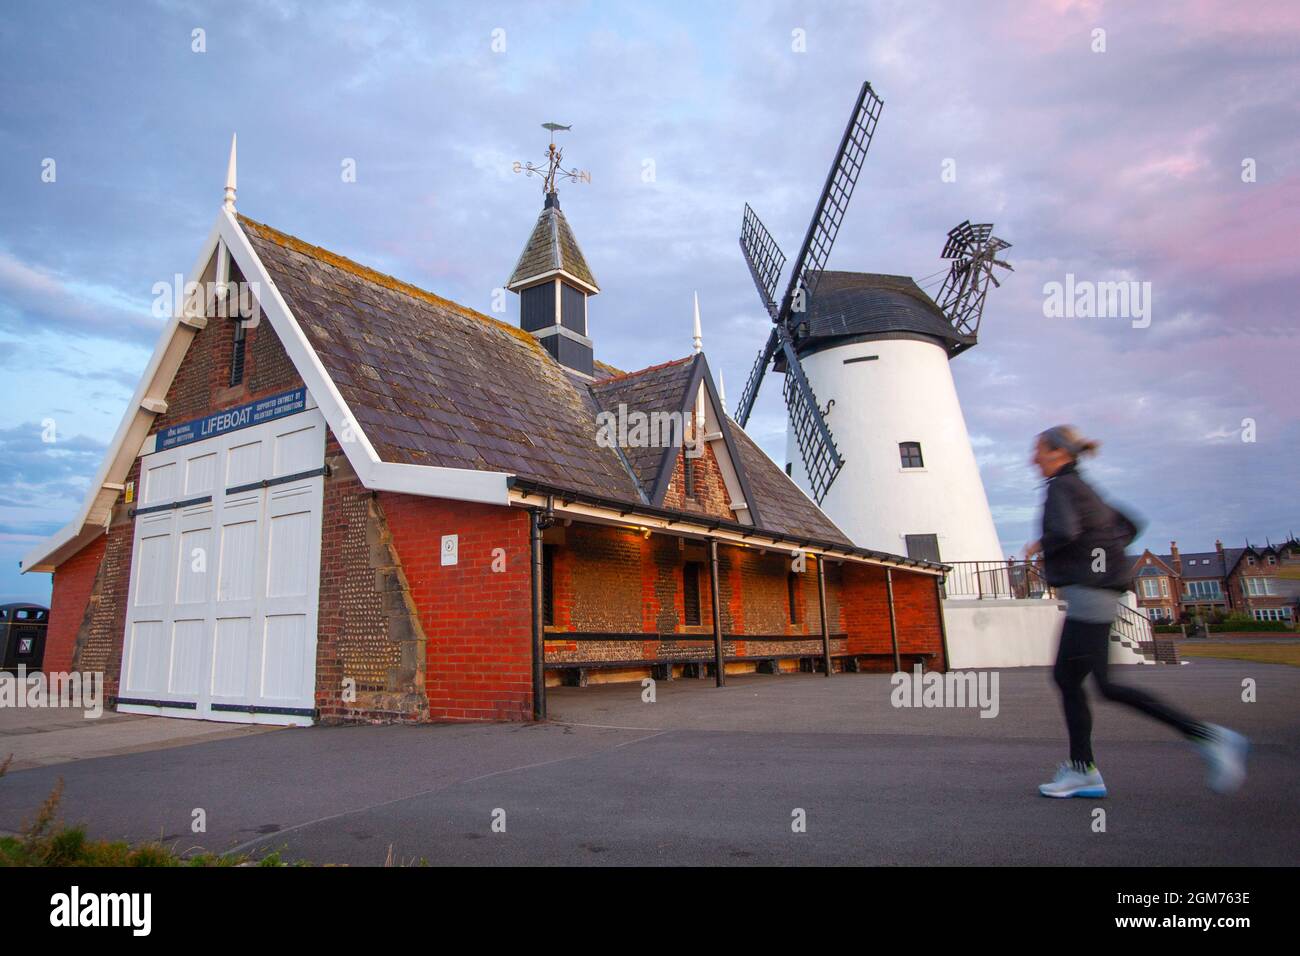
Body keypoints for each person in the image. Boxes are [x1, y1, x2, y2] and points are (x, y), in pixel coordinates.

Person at [1025, 425, 1248, 797]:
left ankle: (1210, 736)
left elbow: (1064, 531)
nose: (1032, 458)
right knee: (1068, 679)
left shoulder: (1062, 486)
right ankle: (1082, 769)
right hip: (1098, 592)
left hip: (1089, 594)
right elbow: (1129, 525)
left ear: (1057, 453)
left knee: (1104, 685)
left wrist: (1040, 544)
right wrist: (1106, 553)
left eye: (1038, 450)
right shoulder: (1085, 487)